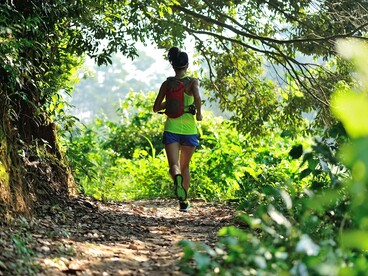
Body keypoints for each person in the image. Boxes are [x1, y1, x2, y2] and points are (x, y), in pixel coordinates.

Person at [153, 47, 203, 212]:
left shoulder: (167, 84)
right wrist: (199, 115)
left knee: (174, 165)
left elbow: (155, 107)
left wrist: (170, 103)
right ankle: (184, 201)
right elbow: (197, 98)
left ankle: (177, 181)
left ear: (173, 66)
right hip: (189, 130)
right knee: (185, 165)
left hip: (172, 128)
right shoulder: (193, 82)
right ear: (187, 65)